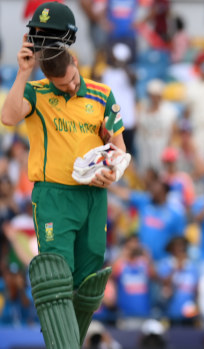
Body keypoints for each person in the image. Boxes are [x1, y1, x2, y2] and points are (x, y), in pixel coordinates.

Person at [0, 3, 127, 348]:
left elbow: (118, 147)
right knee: (56, 279)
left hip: (94, 196)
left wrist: (110, 172)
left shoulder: (101, 95)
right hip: (54, 197)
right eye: (61, 83)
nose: (69, 86)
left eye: (71, 79)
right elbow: (9, 117)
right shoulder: (37, 93)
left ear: (75, 62)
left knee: (87, 286)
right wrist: (23, 71)